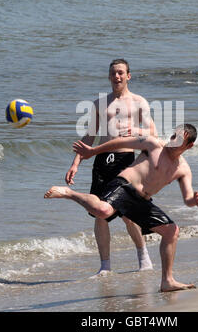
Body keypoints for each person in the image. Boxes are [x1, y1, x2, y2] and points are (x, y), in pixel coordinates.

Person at [45, 124, 198, 292]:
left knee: (171, 231)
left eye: (179, 140)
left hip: (141, 201)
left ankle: (167, 281)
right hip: (123, 186)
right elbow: (119, 142)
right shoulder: (153, 144)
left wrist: (194, 200)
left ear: (189, 146)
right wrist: (92, 151)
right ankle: (69, 193)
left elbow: (188, 198)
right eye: (173, 136)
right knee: (103, 211)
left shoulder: (183, 169)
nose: (172, 141)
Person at [65, 59, 155, 275]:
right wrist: (75, 163)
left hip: (127, 162)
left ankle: (144, 257)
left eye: (121, 73)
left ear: (128, 76)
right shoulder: (100, 103)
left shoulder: (138, 102)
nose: (117, 77)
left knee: (127, 213)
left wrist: (135, 130)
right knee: (99, 213)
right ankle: (105, 265)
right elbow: (90, 135)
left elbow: (152, 132)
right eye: (113, 73)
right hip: (102, 162)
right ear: (109, 77)